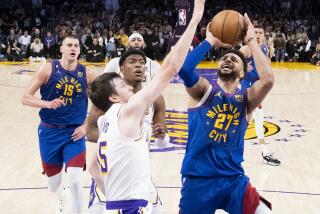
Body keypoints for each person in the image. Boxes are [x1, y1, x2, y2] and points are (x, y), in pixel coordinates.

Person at [88, 0, 207, 212]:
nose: (127, 86)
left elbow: (92, 165)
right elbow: (171, 67)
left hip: (117, 196)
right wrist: (195, 19)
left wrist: (111, 195)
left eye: (141, 63)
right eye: (121, 85)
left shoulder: (108, 119)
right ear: (114, 97)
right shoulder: (130, 108)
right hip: (129, 203)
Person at [178, 14, 273, 213]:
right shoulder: (204, 92)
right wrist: (209, 41)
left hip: (233, 180)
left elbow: (267, 81)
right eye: (225, 58)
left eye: (235, 59)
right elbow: (185, 69)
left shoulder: (246, 101)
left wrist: (251, 41)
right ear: (218, 67)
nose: (228, 59)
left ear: (242, 73)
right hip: (198, 179)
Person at [87, 48, 169, 214]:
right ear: (121, 68)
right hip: (116, 172)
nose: (138, 65)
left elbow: (162, 141)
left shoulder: (156, 98)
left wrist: (161, 136)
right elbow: (90, 132)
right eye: (132, 62)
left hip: (137, 172)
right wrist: (120, 139)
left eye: (142, 62)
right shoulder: (109, 95)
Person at [21, 35, 96, 214]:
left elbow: (102, 102)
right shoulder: (48, 69)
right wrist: (47, 104)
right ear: (61, 49)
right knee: (53, 184)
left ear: (79, 50)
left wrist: (86, 125)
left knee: (76, 181)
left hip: (74, 133)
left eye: (76, 46)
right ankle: (61, 195)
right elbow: (25, 98)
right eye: (69, 45)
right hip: (49, 132)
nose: (73, 48)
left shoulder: (88, 74)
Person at [240, 25, 281, 166]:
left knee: (251, 120)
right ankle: (264, 151)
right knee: (254, 119)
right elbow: (232, 61)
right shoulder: (246, 49)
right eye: (255, 32)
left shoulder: (264, 48)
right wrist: (243, 68)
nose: (257, 35)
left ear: (264, 35)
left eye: (260, 33)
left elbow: (267, 66)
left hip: (258, 87)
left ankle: (263, 151)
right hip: (247, 87)